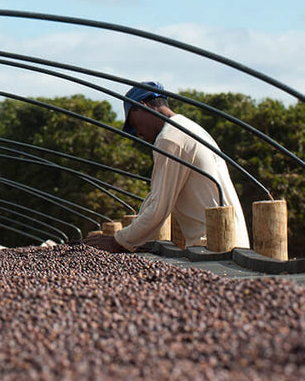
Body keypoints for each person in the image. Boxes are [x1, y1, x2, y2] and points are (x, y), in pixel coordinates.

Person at [84, 81, 249, 253]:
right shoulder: (188, 127)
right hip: (231, 240)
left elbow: (158, 208)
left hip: (215, 246)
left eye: (133, 124)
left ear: (143, 106)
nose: (138, 133)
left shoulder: (170, 139)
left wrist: (117, 241)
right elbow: (156, 197)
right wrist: (123, 236)